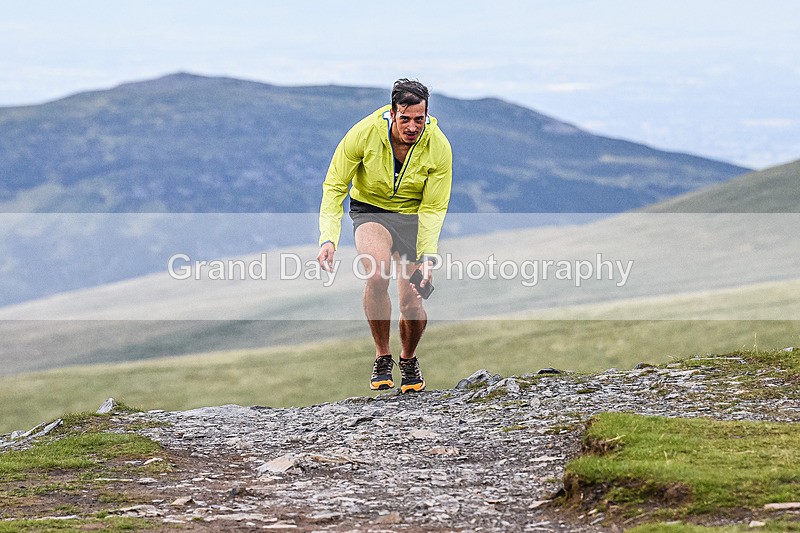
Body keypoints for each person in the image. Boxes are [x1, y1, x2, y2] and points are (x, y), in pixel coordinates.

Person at [316, 78, 453, 393]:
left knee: (412, 305)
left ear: (427, 115)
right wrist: (328, 238)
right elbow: (335, 185)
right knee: (377, 275)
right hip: (371, 212)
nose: (412, 126)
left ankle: (408, 358)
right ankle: (382, 355)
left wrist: (427, 258)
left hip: (414, 219)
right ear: (392, 113)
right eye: (405, 119)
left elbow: (434, 207)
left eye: (419, 119)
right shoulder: (363, 134)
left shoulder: (439, 147)